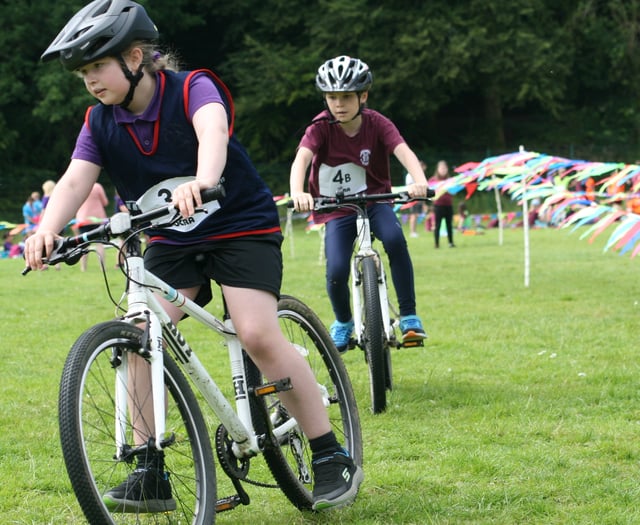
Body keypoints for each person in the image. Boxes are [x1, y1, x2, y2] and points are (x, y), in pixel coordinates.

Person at [26, 0, 361, 514]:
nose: (90, 80)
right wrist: (47, 230)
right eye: (83, 72)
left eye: (97, 66)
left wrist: (204, 182)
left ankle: (328, 452)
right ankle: (149, 467)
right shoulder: (99, 122)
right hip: (171, 238)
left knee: (255, 333)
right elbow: (75, 178)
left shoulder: (192, 88)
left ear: (136, 56)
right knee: (138, 333)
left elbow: (213, 133)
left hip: (238, 224)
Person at [289, 55, 429, 351]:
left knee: (394, 240)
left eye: (346, 97)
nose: (338, 104)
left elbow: (403, 151)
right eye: (332, 97)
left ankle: (409, 316)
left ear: (363, 96)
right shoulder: (320, 128)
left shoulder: (377, 124)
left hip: (375, 200)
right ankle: (343, 322)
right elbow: (302, 158)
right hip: (335, 207)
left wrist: (418, 180)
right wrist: (298, 191)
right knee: (337, 268)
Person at [74, 181, 108, 271]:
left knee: (84, 244)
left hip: (83, 219)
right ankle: (102, 267)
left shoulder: (79, 186)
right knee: (99, 243)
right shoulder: (97, 186)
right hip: (97, 218)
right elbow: (105, 202)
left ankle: (83, 268)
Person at [429, 160, 455, 248]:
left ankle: (450, 243)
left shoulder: (450, 180)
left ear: (447, 169)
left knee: (449, 225)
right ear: (438, 169)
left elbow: (454, 192)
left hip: (448, 206)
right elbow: (430, 193)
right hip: (438, 206)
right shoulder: (433, 180)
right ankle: (436, 244)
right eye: (441, 168)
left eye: (444, 168)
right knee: (437, 225)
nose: (443, 170)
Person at [405, 160, 427, 238]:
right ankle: (412, 232)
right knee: (413, 215)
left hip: (418, 198)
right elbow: (410, 187)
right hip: (413, 198)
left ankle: (414, 231)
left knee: (416, 215)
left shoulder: (418, 175)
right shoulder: (410, 175)